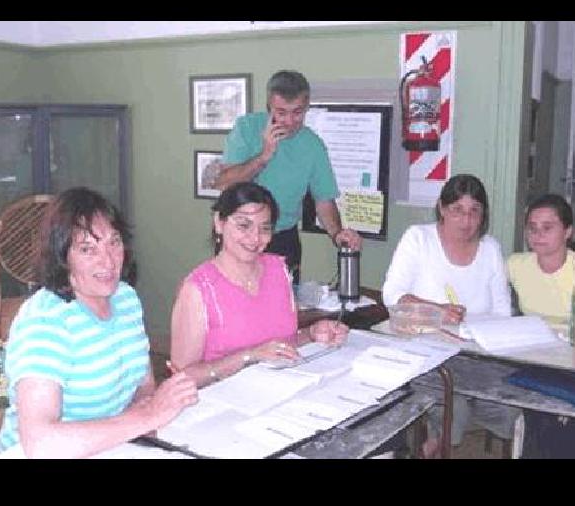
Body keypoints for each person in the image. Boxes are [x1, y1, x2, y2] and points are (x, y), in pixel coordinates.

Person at [0, 187, 198, 458]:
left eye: (113, 243)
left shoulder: (125, 297)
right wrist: (148, 415)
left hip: (110, 446)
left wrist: (151, 410)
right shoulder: (44, 322)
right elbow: (40, 444)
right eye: (87, 249)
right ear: (62, 256)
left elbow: (143, 386)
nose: (108, 261)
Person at [382, 174, 518, 457]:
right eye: (457, 210)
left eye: (474, 212)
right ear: (442, 209)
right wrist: (437, 310)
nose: (466, 221)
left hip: (477, 355)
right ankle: (432, 444)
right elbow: (392, 295)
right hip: (428, 355)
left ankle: (437, 441)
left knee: (509, 407)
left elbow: (502, 312)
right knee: (454, 411)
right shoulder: (419, 238)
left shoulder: (490, 249)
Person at [170, 181, 348, 388]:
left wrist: (312, 334)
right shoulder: (198, 289)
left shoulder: (279, 270)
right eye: (243, 225)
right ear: (219, 223)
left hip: (280, 389)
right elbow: (182, 377)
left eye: (265, 228)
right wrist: (249, 356)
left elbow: (280, 343)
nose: (255, 238)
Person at [215, 69, 361, 284]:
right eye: (281, 113)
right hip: (241, 236)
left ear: (307, 107)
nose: (290, 121)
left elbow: (323, 200)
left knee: (285, 308)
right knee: (236, 309)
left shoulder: (313, 145)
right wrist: (263, 157)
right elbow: (224, 183)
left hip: (284, 236)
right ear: (269, 107)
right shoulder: (246, 128)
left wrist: (337, 233)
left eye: (297, 113)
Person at [507, 193, 575, 458]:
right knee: (539, 414)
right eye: (532, 228)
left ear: (568, 231)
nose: (538, 234)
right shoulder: (516, 265)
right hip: (538, 360)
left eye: (548, 227)